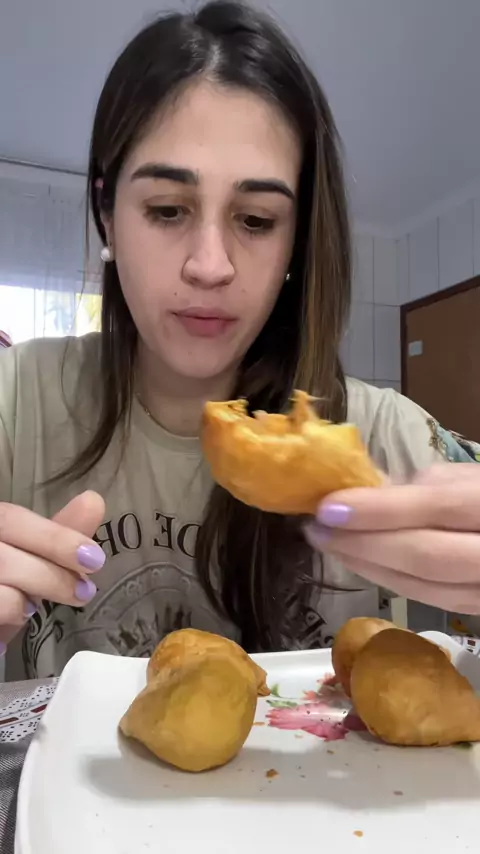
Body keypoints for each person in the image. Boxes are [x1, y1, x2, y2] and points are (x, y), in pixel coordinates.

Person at [1, 1, 479, 681]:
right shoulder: (16, 401)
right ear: (107, 213)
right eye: (168, 209)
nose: (210, 265)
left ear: (295, 241)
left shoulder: (377, 433)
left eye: (255, 220)